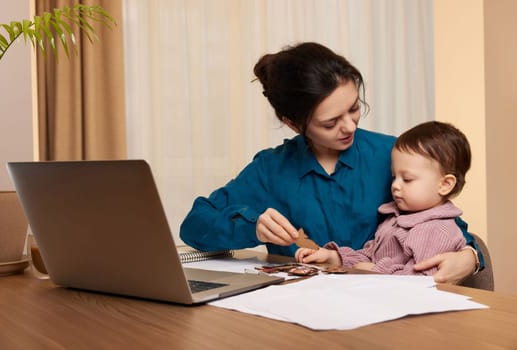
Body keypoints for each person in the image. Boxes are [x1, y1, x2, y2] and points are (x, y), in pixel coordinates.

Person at [180, 42, 482, 283]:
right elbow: (195, 225)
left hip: (387, 313)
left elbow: (445, 225)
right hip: (298, 318)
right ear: (294, 124)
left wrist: (470, 256)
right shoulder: (270, 169)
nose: (349, 126)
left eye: (354, 109)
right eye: (330, 122)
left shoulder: (390, 155)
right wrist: (253, 227)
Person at [295, 121, 471, 275]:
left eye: (407, 179)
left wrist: (375, 271)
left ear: (445, 184)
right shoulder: (395, 217)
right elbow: (371, 255)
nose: (395, 185)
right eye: (394, 177)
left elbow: (420, 281)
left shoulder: (437, 231)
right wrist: (334, 257)